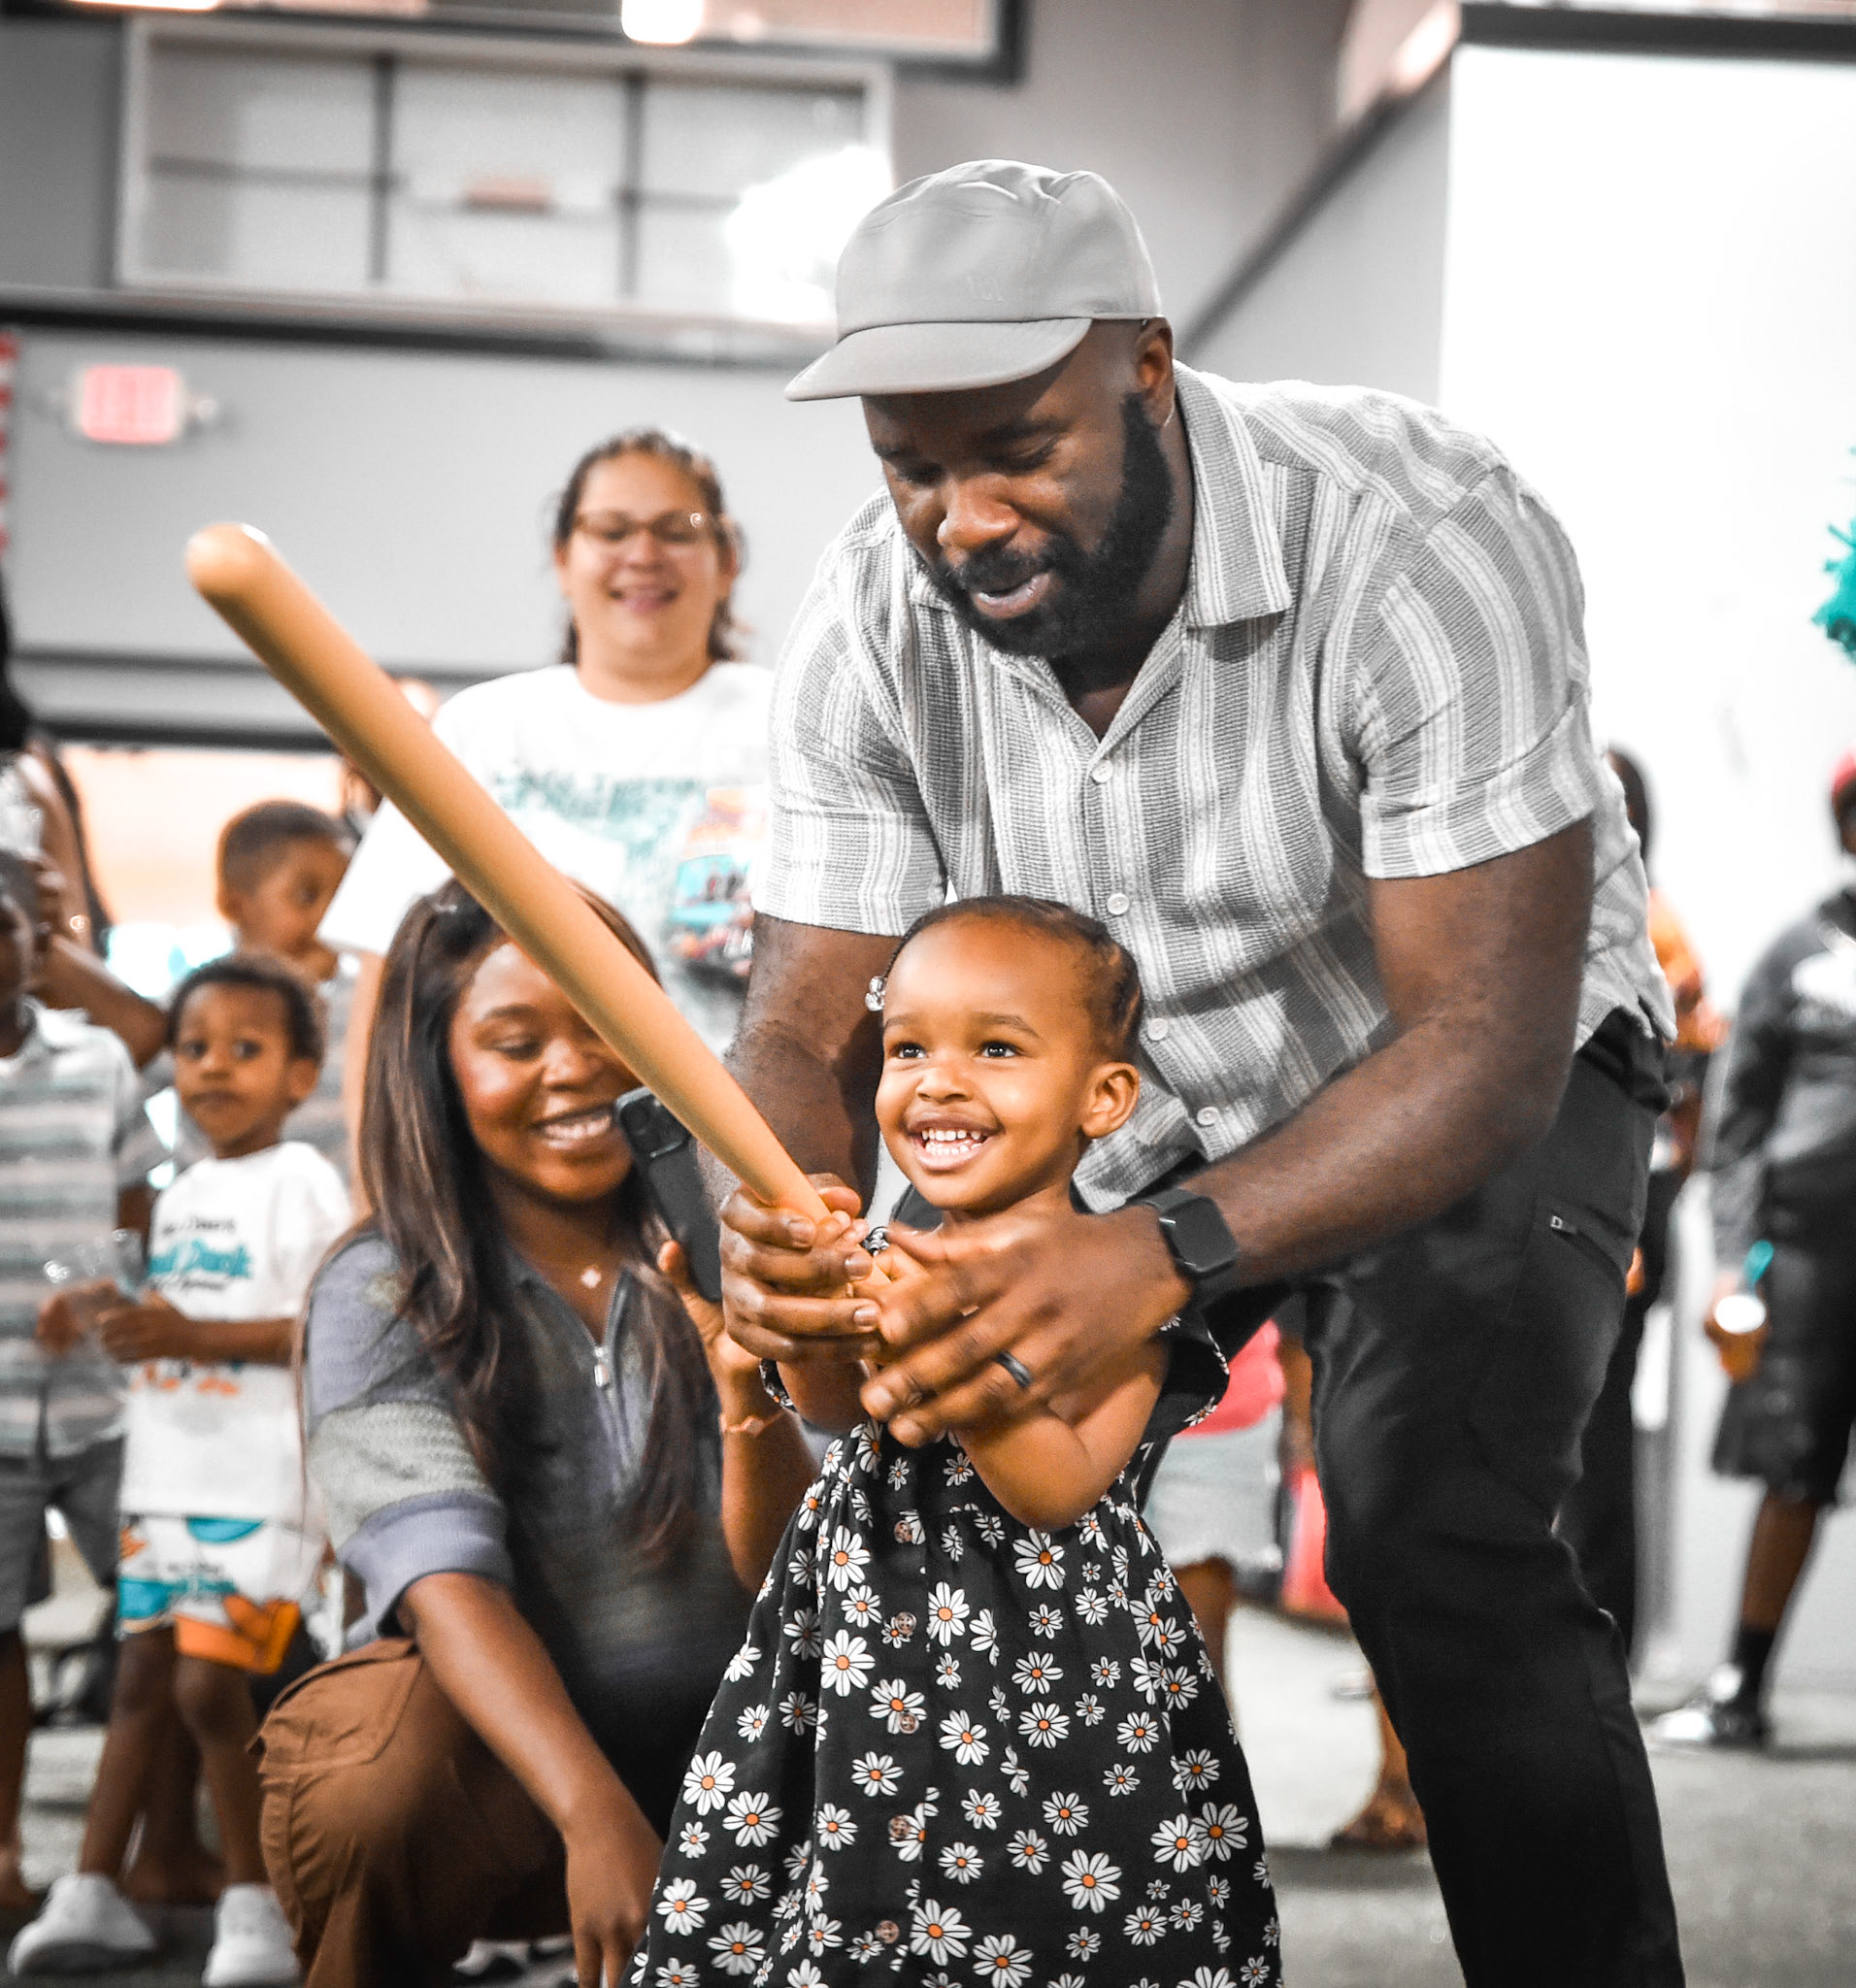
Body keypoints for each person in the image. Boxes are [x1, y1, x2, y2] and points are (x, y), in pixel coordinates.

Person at [714, 160, 1683, 1987]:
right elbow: (800, 1020)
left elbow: (1479, 1041)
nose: (965, 519)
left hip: (1467, 1067)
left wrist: (1155, 1253)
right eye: (913, 469)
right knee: (935, 1484)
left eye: (1019, 449)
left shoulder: (1421, 532)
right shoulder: (868, 615)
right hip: (1130, 1092)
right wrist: (780, 1209)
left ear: (1147, 368)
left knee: (1425, 1522)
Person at [628, 896, 1279, 1987]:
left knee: (1041, 1928)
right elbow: (829, 1412)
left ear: (1104, 1096)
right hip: (866, 1692)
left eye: (996, 1048)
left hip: (1049, 1696)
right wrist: (777, 1339)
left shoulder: (1111, 1298)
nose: (937, 1080)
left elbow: (1056, 1489)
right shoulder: (890, 1257)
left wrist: (952, 1354)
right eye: (907, 1048)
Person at [254, 881, 814, 1988]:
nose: (574, 1068)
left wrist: (750, 1396)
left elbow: (816, 1568)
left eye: (603, 1022)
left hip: (751, 1739)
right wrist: (592, 1811)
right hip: (524, 1774)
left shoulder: (744, 1230)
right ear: (437, 1069)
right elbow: (444, 1582)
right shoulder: (382, 1285)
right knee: (369, 1779)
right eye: (516, 1044)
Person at [14, 954, 349, 1983]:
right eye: (195, 1048)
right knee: (140, 1684)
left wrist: (188, 1336)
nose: (212, 1068)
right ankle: (92, 1886)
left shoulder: (303, 1181)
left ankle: (258, 1904)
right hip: (166, 1476)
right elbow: (178, 1308)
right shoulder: (185, 1188)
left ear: (301, 1074)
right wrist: (105, 1309)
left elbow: (320, 1327)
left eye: (245, 1049)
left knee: (210, 1685)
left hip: (255, 1487)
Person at [319, 428, 772, 1182]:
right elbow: (386, 986)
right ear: (563, 558)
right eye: (611, 530)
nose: (643, 554)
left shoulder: (794, 720)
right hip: (512, 1178)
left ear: (727, 560)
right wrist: (380, 1196)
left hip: (738, 1173)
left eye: (677, 529)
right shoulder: (483, 729)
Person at [1649, 747, 1856, 1748]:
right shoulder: (1798, 953)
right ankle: (1741, 1684)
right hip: (1810, 1257)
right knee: (1792, 1467)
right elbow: (1735, 1126)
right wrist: (1735, 1263)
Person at [0, 851, 163, 1919]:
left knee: (160, 1604)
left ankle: (153, 1843)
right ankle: (6, 1851)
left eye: (5, 927)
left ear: (32, 945)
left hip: (108, 1406)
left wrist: (109, 1286)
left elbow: (136, 1199)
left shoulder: (96, 1057)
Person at [1560, 747, 1724, 1659]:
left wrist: (1641, 1212)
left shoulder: (1652, 929)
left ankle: (1600, 1647)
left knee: (1594, 1432)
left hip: (1618, 1203)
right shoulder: (1571, 916)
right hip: (1579, 1197)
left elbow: (1683, 1086)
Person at [164, 803, 359, 1183]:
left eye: (343, 899)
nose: (329, 918)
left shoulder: (367, 1003)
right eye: (307, 896)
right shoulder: (194, 1002)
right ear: (235, 905)